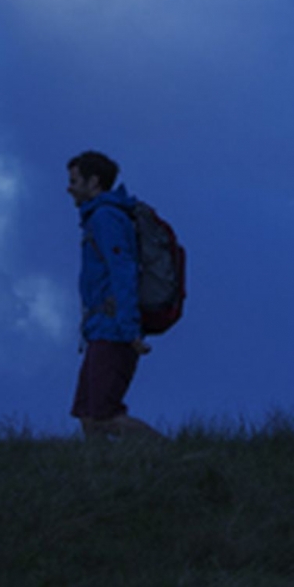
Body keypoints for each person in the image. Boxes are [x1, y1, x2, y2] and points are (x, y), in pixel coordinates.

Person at [66, 151, 163, 439]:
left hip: (114, 331)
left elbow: (123, 271)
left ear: (93, 182)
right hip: (100, 330)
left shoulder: (106, 218)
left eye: (74, 180)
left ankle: (170, 453)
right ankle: (97, 478)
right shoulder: (100, 217)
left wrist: (129, 330)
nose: (68, 187)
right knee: (87, 414)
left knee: (105, 416)